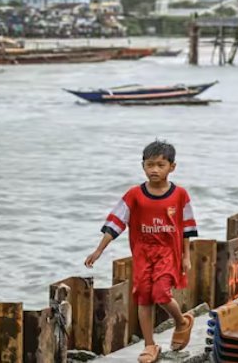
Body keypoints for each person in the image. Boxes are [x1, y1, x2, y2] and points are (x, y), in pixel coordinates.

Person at [85, 140, 198, 363]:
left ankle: (181, 321)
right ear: (143, 166)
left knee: (161, 294)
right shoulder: (134, 195)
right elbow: (116, 222)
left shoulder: (180, 195)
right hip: (142, 254)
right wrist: (99, 250)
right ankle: (149, 345)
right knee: (144, 298)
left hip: (168, 252)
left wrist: (186, 256)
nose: (154, 170)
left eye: (160, 165)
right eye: (149, 165)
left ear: (172, 167)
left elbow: (188, 227)